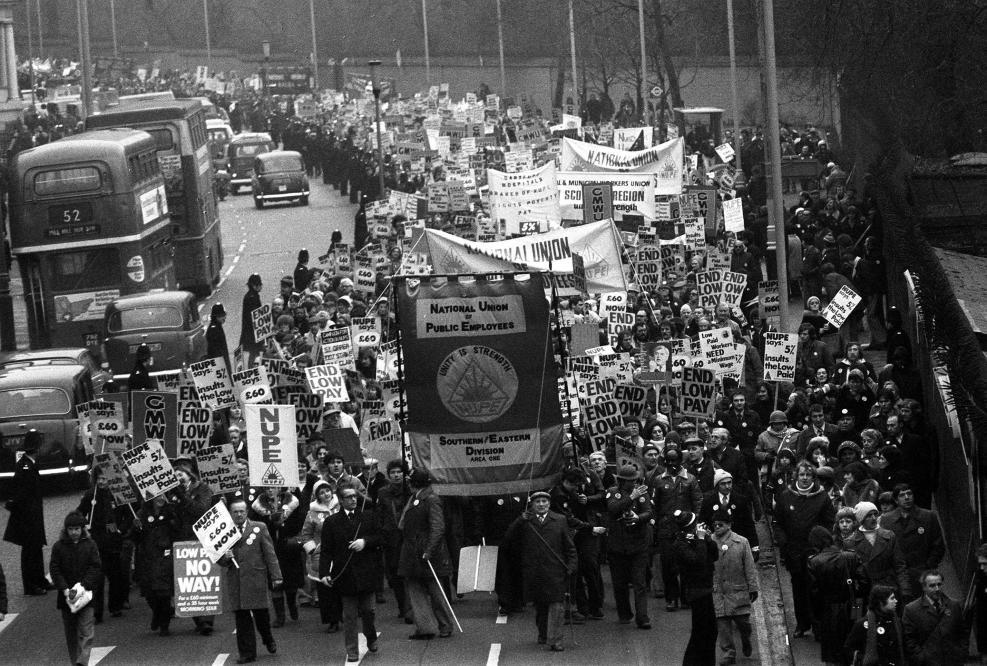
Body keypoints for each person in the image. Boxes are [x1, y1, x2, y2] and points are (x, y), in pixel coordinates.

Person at [504, 491, 577, 652]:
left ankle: (555, 640)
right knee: (541, 606)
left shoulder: (560, 520)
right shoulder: (525, 521)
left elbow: (569, 546)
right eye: (538, 502)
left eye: (544, 501)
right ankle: (543, 634)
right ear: (532, 504)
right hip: (534, 572)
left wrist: (572, 566)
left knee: (557, 606)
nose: (541, 504)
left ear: (549, 504)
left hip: (556, 571)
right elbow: (508, 537)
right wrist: (519, 520)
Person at [774, 462, 837, 638]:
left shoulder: (822, 497)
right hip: (794, 551)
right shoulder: (785, 496)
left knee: (816, 589)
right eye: (801, 475)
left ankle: (818, 626)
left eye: (808, 475)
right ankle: (802, 624)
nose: (804, 478)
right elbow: (778, 523)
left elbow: (829, 522)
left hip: (815, 552)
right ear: (796, 476)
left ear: (813, 477)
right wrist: (783, 542)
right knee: (799, 589)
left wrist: (821, 542)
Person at [319, 485, 382, 662]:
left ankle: (371, 637)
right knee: (349, 616)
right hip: (345, 574)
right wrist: (324, 573)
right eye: (348, 497)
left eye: (354, 496)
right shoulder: (332, 522)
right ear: (340, 500)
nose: (353, 500)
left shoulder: (367, 517)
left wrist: (365, 541)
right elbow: (326, 550)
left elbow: (380, 537)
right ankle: (352, 650)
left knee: (368, 611)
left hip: (367, 572)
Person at [220, 498, 283, 664]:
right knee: (242, 618)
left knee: (261, 615)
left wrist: (276, 576)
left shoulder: (259, 528)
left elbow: (270, 554)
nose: (239, 514)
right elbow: (218, 558)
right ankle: (247, 653)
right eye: (235, 511)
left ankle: (267, 638)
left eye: (242, 511)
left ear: (246, 512)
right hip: (236, 581)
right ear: (230, 514)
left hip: (256, 578)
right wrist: (225, 558)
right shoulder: (223, 531)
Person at [398, 469, 453, 640]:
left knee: (434, 590)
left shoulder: (431, 499)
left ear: (412, 483)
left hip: (427, 552)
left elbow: (438, 528)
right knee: (416, 589)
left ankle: (443, 625)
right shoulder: (416, 498)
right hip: (413, 551)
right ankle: (426, 627)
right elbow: (402, 525)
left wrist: (429, 550)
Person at [75, 467, 129, 622]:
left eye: (105, 479)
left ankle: (115, 606)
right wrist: (85, 525)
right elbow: (80, 512)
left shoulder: (119, 493)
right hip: (96, 542)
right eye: (99, 478)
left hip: (114, 541)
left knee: (115, 576)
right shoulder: (91, 494)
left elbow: (128, 516)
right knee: (97, 578)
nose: (101, 482)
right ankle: (97, 612)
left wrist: (120, 530)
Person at [50, 511, 101, 666]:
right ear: (66, 530)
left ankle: (82, 662)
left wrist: (84, 585)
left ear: (82, 529)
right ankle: (75, 662)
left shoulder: (90, 545)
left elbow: (96, 566)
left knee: (87, 631)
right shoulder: (58, 547)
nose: (74, 532)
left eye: (77, 529)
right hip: (67, 598)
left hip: (86, 595)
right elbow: (54, 569)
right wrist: (65, 589)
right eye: (71, 529)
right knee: (71, 634)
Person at [605, 464, 653, 629]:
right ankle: (624, 613)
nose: (632, 484)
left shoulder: (642, 492)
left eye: (634, 481)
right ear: (621, 481)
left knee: (639, 583)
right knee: (620, 583)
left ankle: (643, 617)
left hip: (638, 544)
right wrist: (631, 497)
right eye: (628, 481)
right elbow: (612, 509)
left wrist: (637, 518)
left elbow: (648, 512)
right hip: (617, 545)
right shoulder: (612, 492)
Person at [807, 525, 862, 666]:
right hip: (854, 607)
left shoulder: (814, 562)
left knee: (832, 652)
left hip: (829, 612)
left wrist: (817, 618)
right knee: (852, 646)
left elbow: (814, 594)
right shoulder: (851, 556)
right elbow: (863, 583)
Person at [879, 484, 944, 601]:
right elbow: (884, 548)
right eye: (902, 495)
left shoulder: (928, 516)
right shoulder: (887, 520)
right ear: (896, 500)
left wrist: (928, 566)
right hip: (898, 575)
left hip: (922, 572)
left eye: (909, 494)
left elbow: (938, 546)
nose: (907, 498)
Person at [3, 429, 49, 595]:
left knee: (36, 548)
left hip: (32, 515)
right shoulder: (25, 467)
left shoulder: (29, 464)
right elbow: (22, 493)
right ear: (36, 448)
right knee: (29, 550)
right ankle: (30, 585)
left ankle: (39, 579)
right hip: (27, 517)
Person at [710, 509, 758, 664]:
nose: (717, 527)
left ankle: (746, 638)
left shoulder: (742, 542)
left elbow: (749, 567)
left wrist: (753, 587)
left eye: (720, 524)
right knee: (722, 625)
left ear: (729, 525)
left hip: (737, 590)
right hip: (718, 591)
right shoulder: (708, 541)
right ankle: (728, 653)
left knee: (743, 623)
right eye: (715, 525)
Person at [672, 510, 718, 666]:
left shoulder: (698, 538)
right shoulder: (680, 543)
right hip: (695, 590)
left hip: (706, 587)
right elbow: (698, 560)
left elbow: (714, 555)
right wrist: (699, 539)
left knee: (711, 631)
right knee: (700, 632)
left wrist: (708, 539)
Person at [844, 501, 910, 602]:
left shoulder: (889, 536)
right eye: (869, 516)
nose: (874, 518)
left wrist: (905, 590)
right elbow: (851, 573)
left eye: (875, 514)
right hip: (866, 591)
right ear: (861, 519)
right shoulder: (850, 542)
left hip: (889, 588)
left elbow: (900, 565)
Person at [902, 570, 969, 665]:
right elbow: (909, 639)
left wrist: (961, 653)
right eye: (932, 586)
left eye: (939, 584)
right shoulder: (911, 609)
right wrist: (921, 657)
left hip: (953, 661)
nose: (937, 588)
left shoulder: (954, 605)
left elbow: (963, 632)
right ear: (924, 587)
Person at [844, 585, 906, 666]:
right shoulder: (862, 624)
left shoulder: (897, 622)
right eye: (892, 598)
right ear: (881, 602)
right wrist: (863, 658)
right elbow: (848, 648)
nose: (896, 601)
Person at [239, 273, 264, 369]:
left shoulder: (251, 295)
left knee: (254, 352)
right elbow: (254, 315)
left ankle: (252, 369)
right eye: (260, 284)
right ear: (255, 285)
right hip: (252, 332)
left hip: (251, 331)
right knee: (254, 352)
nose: (261, 286)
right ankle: (251, 371)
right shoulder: (252, 297)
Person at [206, 302, 231, 373]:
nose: (224, 317)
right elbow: (215, 351)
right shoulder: (214, 329)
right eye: (222, 316)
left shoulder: (217, 326)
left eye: (224, 315)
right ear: (216, 317)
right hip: (220, 365)